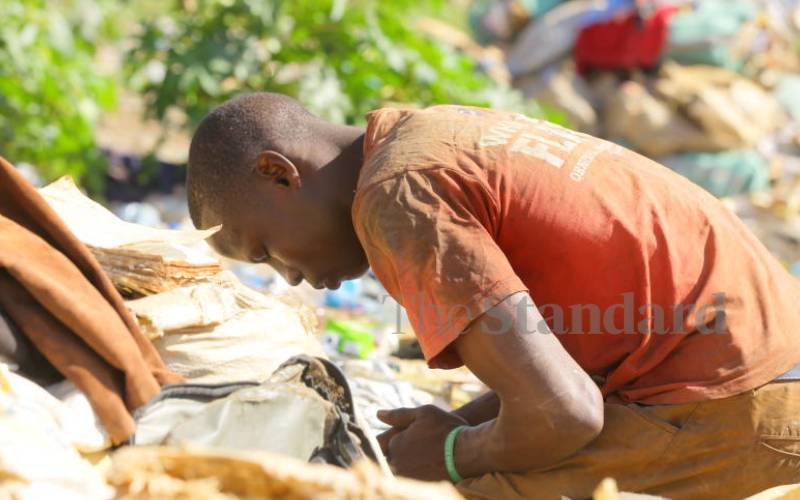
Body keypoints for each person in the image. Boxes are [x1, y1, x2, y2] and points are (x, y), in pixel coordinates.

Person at [186, 92, 800, 499]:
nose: (287, 276)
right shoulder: (430, 134)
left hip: (736, 409)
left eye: (265, 249)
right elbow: (560, 359)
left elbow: (567, 413)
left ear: (279, 173)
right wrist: (462, 424)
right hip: (762, 364)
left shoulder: (396, 198)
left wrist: (453, 455)